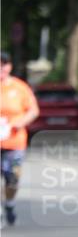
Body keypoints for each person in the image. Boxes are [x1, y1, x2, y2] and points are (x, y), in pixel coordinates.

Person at [0, 51, 40, 227]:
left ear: (9, 67)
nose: (1, 68)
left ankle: (9, 204)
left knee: (12, 179)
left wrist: (19, 122)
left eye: (4, 64)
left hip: (15, 142)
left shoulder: (20, 87)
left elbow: (33, 110)